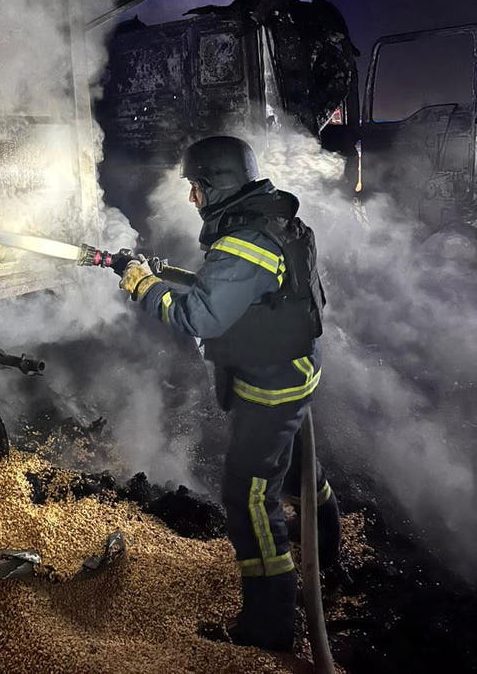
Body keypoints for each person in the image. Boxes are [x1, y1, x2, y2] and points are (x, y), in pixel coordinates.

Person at [118, 135, 340, 653]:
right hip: (294, 371)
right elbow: (243, 290)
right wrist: (166, 275)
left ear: (217, 184)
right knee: (297, 470)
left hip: (272, 385)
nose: (192, 198)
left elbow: (199, 315)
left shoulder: (246, 242)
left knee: (248, 495)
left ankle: (269, 625)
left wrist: (142, 287)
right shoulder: (267, 219)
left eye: (196, 186)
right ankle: (326, 555)